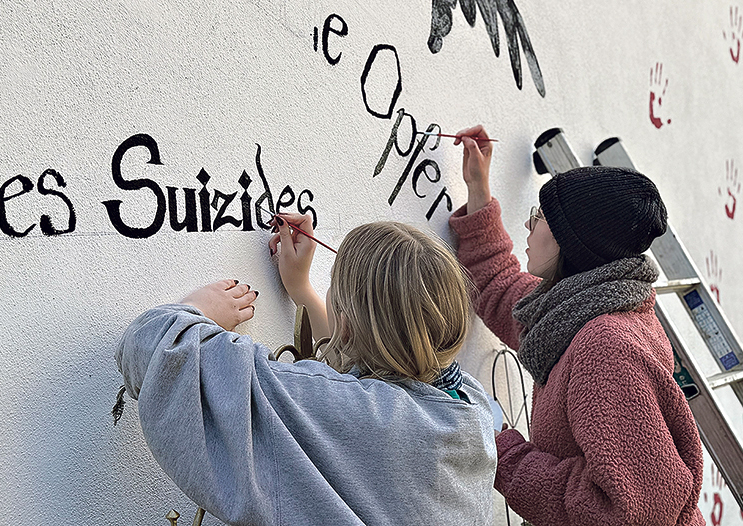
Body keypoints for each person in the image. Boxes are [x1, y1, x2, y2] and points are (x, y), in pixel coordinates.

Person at [115, 214, 497, 526]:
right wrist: (303, 290)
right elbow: (376, 377)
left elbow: (153, 348)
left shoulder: (366, 416)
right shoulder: (468, 403)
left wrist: (200, 308)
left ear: (345, 322)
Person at [448, 124, 705, 525]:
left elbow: (636, 511)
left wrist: (504, 449)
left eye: (540, 218)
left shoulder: (605, 346)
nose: (528, 226)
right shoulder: (581, 309)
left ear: (573, 242)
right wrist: (478, 191)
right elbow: (503, 291)